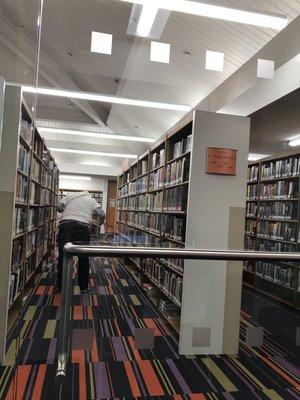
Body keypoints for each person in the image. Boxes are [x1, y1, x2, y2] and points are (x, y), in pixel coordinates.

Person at [56, 191, 105, 293]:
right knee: (83, 256)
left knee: (63, 256)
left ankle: (61, 286)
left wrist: (68, 210)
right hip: (82, 227)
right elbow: (101, 213)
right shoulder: (91, 200)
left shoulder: (69, 195)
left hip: (65, 225)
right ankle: (83, 287)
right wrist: (99, 223)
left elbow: (59, 207)